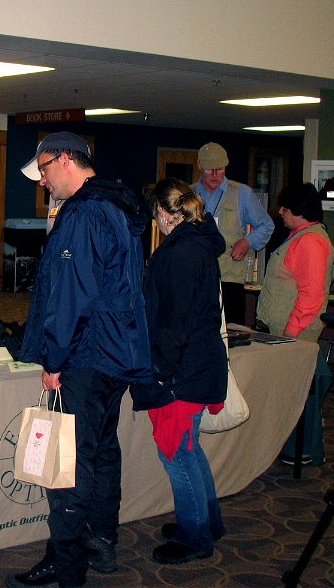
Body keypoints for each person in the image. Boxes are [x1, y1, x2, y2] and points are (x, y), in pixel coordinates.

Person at [7, 131, 153, 588]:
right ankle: (101, 543)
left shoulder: (85, 213)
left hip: (86, 356)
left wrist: (54, 360)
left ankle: (66, 567)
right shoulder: (116, 206)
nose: (43, 181)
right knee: (101, 451)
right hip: (114, 354)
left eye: (45, 170)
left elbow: (72, 297)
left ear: (65, 159)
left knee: (68, 462)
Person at [129, 178, 227, 565]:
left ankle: (194, 536)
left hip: (182, 373)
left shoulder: (181, 253)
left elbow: (174, 322)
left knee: (178, 454)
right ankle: (206, 521)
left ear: (167, 215)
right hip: (197, 366)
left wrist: (159, 371)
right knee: (189, 450)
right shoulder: (198, 244)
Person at [256, 182, 334, 466]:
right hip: (288, 331)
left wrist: (291, 333)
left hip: (297, 333)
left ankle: (300, 450)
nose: (280, 213)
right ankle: (291, 448)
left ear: (299, 212)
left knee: (299, 394)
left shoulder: (310, 242)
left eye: (285, 209)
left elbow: (311, 295)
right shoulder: (300, 236)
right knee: (291, 392)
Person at [194, 142, 274, 326]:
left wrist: (247, 242)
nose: (215, 175)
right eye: (209, 169)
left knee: (231, 333)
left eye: (220, 169)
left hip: (229, 279)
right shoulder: (189, 194)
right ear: (200, 166)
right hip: (197, 277)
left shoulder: (242, 193)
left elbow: (266, 225)